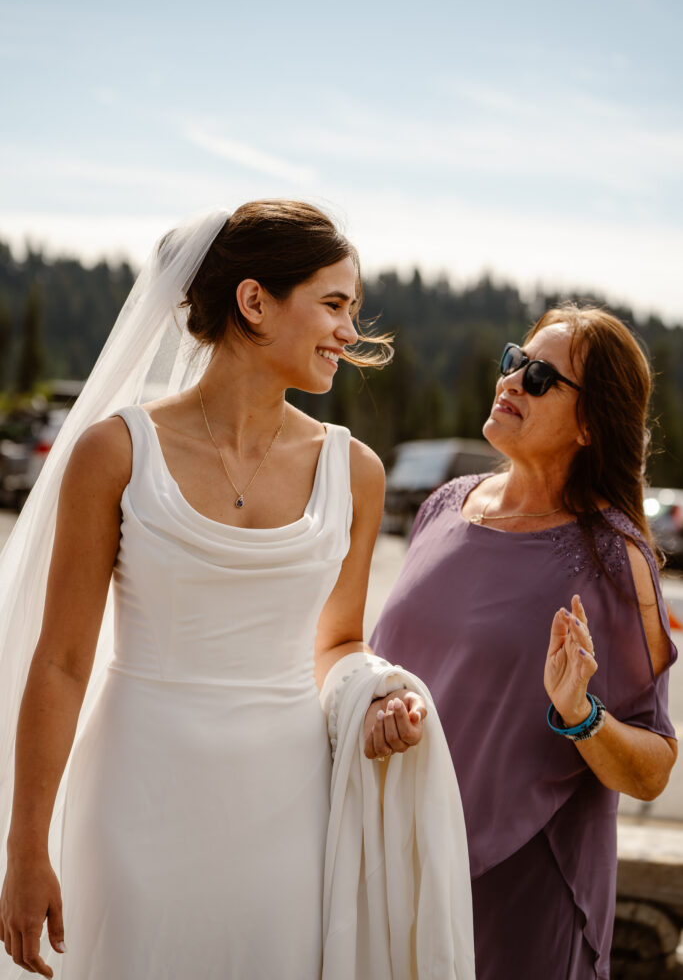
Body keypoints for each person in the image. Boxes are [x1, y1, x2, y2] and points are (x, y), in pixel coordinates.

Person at [0, 201, 475, 980]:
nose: (349, 332)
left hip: (285, 807)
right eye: (333, 304)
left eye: (352, 309)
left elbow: (338, 641)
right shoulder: (115, 452)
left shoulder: (354, 471)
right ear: (254, 301)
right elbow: (60, 663)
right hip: (134, 795)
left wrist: (375, 693)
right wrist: (25, 848)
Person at [372, 305, 678, 980]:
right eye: (515, 360)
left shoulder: (613, 556)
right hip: (397, 870)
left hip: (520, 902)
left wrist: (581, 715)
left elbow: (653, 767)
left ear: (591, 424)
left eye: (540, 377)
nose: (511, 380)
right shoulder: (443, 506)